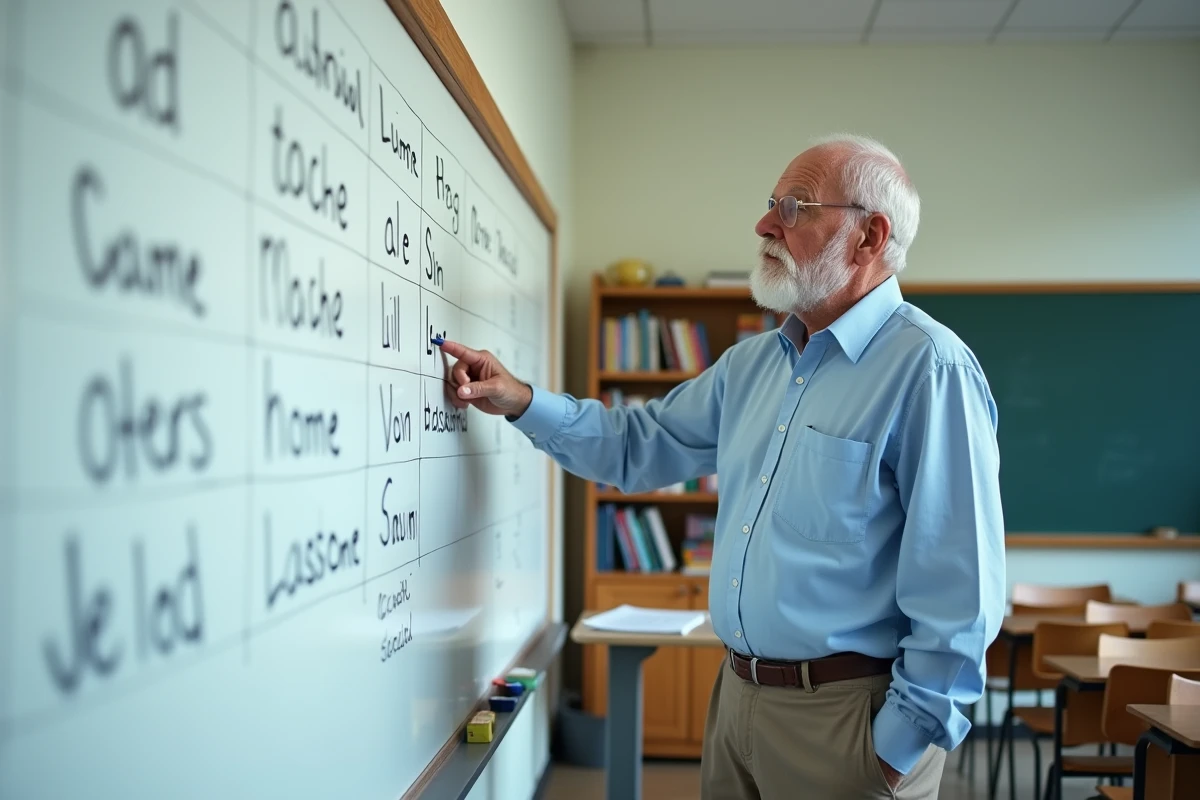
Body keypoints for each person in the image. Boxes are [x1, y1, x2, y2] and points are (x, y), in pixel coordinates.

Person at [439, 133, 1005, 799]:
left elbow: (959, 593)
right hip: (737, 700)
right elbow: (635, 444)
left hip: (848, 723)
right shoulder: (752, 365)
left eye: (795, 207)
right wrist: (522, 401)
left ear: (868, 236)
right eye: (772, 204)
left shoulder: (929, 369)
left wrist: (891, 750)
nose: (766, 224)